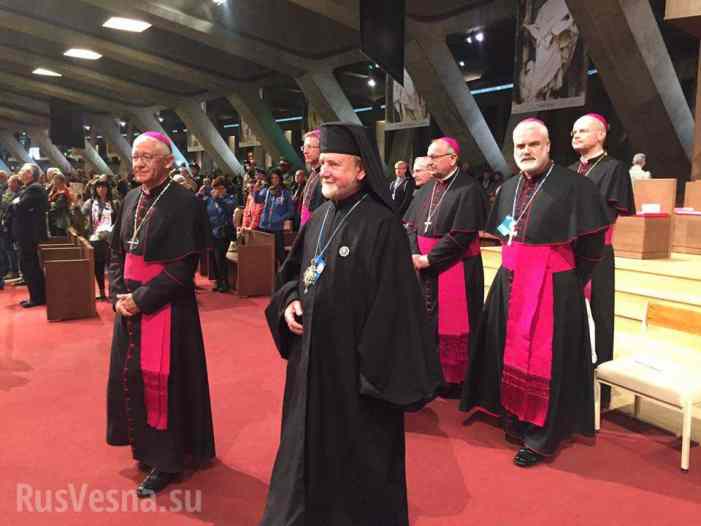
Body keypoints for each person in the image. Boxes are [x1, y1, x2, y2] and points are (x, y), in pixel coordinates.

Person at [261, 122, 442, 526]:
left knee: (355, 481)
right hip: (309, 371)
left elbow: (397, 312)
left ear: (361, 170)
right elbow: (291, 276)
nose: (324, 171)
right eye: (321, 163)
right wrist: (290, 302)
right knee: (301, 457)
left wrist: (365, 370)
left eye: (334, 164)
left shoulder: (383, 226)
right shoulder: (319, 217)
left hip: (355, 382)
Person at [461, 118, 609, 467]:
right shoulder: (509, 188)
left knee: (549, 361)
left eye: (533, 145)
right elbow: (504, 231)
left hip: (553, 285)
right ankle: (514, 417)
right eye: (520, 146)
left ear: (547, 146)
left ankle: (543, 436)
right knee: (504, 349)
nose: (526, 151)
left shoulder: (575, 187)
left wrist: (568, 281)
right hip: (510, 281)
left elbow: (591, 247)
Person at [107, 131, 215, 497]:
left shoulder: (186, 203)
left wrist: (142, 299)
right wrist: (118, 293)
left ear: (168, 162)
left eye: (147, 157)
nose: (138, 163)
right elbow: (115, 254)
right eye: (135, 157)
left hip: (167, 309)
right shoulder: (130, 198)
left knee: (164, 385)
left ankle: (167, 461)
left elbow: (183, 269)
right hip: (129, 306)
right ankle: (144, 449)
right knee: (133, 378)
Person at [403, 138, 488, 398]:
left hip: (456, 267)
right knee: (428, 322)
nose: (429, 161)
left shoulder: (468, 189)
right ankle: (431, 372)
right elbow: (410, 226)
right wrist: (415, 253)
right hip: (424, 266)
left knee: (452, 323)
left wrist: (429, 259)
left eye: (435, 156)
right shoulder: (427, 189)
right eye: (428, 156)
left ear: (452, 158)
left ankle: (455, 380)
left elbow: (461, 235)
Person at [571, 113, 635, 408]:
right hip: (567, 253)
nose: (576, 135)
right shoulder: (570, 170)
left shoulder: (614, 169)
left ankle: (603, 386)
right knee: (569, 316)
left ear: (600, 135)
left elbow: (608, 214)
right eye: (573, 131)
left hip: (597, 253)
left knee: (601, 318)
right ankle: (573, 376)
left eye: (583, 130)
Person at [10, 164, 48, 307]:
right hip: (26, 234)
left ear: (30, 175)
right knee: (29, 266)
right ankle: (36, 296)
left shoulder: (35, 188)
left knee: (30, 266)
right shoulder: (28, 188)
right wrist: (15, 204)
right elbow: (15, 205)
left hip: (29, 235)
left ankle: (37, 298)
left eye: (22, 171)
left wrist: (15, 204)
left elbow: (18, 207)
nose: (19, 172)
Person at [81, 177, 119, 300]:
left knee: (113, 266)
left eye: (104, 187)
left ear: (108, 189)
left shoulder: (115, 203)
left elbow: (119, 220)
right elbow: (81, 215)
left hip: (110, 238)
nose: (101, 189)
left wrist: (110, 231)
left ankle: (113, 291)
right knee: (98, 266)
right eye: (99, 187)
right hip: (95, 238)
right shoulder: (90, 203)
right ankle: (102, 292)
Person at [203, 176, 237, 292]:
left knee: (220, 258)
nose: (218, 190)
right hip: (212, 231)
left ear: (225, 188)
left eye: (220, 188)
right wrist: (199, 193)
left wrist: (218, 199)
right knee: (213, 258)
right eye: (216, 188)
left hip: (224, 232)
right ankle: (218, 281)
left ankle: (225, 283)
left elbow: (228, 209)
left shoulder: (230, 199)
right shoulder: (210, 199)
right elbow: (204, 209)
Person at [257, 169, 293, 266]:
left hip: (277, 228)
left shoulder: (285, 193)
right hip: (264, 226)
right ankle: (269, 277)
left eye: (276, 177)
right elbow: (257, 200)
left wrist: (279, 218)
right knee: (266, 254)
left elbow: (291, 211)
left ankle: (283, 277)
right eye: (272, 178)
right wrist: (255, 190)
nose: (274, 180)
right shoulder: (266, 190)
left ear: (280, 179)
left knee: (280, 254)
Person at [299, 129, 323, 225]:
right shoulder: (313, 173)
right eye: (304, 147)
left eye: (309, 147)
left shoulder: (325, 177)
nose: (305, 151)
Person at [47, 172, 74, 236]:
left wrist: (50, 204)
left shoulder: (64, 193)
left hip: (60, 222)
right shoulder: (56, 191)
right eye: (55, 183)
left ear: (62, 182)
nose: (56, 185)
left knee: (60, 238)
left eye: (57, 183)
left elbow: (56, 206)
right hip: (55, 220)